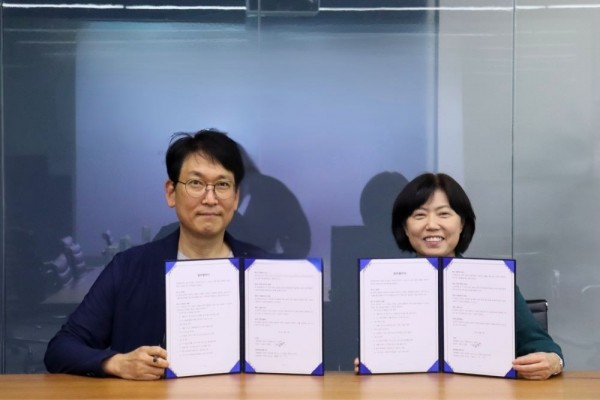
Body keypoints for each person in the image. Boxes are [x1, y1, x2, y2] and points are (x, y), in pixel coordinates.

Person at [44, 129, 270, 380]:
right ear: (171, 193)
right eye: (196, 183)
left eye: (222, 185)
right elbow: (61, 348)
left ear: (235, 197)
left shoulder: (263, 270)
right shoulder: (130, 268)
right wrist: (116, 363)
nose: (210, 198)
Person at [354, 172, 563, 380]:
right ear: (405, 228)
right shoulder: (385, 285)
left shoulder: (492, 281)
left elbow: (542, 345)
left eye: (443, 214)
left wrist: (553, 361)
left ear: (461, 223)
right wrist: (371, 363)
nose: (432, 225)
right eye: (419, 215)